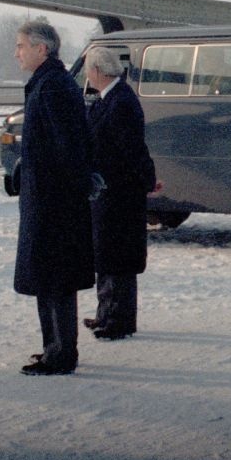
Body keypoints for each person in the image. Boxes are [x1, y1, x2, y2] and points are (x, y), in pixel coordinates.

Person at [13, 19, 96, 375]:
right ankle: (54, 348)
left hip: (53, 202)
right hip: (46, 197)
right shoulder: (48, 83)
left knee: (55, 277)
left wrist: (56, 189)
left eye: (21, 45)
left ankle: (61, 353)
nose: (16, 52)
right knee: (48, 276)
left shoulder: (53, 87)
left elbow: (68, 147)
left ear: (41, 48)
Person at [82, 47, 157, 341]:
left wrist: (145, 181)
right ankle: (106, 312)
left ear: (98, 72)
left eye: (89, 70)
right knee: (106, 253)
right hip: (110, 191)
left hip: (120, 192)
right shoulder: (111, 99)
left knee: (118, 257)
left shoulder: (121, 102)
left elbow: (132, 149)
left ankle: (119, 319)